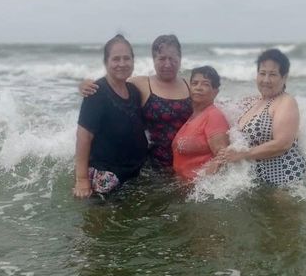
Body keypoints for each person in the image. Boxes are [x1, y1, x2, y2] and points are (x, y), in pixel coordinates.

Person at [79, 34, 192, 169]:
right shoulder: (142, 84)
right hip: (152, 165)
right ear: (154, 60)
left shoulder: (191, 86)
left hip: (187, 163)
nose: (167, 64)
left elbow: (209, 114)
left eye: (172, 58)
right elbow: (113, 82)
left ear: (180, 58)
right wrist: (86, 84)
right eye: (162, 58)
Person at [215, 48, 306, 185]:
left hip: (286, 180)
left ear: (284, 77)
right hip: (262, 181)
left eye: (273, 74)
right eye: (262, 73)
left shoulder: (286, 102)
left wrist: (242, 155)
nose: (266, 80)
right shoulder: (254, 102)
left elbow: (282, 144)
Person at [73, 34, 148, 199]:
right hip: (107, 176)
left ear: (133, 61)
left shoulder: (133, 90)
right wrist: (82, 179)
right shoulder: (96, 92)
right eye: (116, 59)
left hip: (133, 171)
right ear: (106, 62)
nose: (122, 63)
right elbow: (83, 137)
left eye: (126, 58)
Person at [171, 66, 230, 180]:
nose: (198, 88)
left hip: (197, 187)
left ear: (215, 92)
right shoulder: (194, 116)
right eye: (195, 83)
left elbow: (223, 158)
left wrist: (198, 185)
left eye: (205, 84)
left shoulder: (214, 116)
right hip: (181, 185)